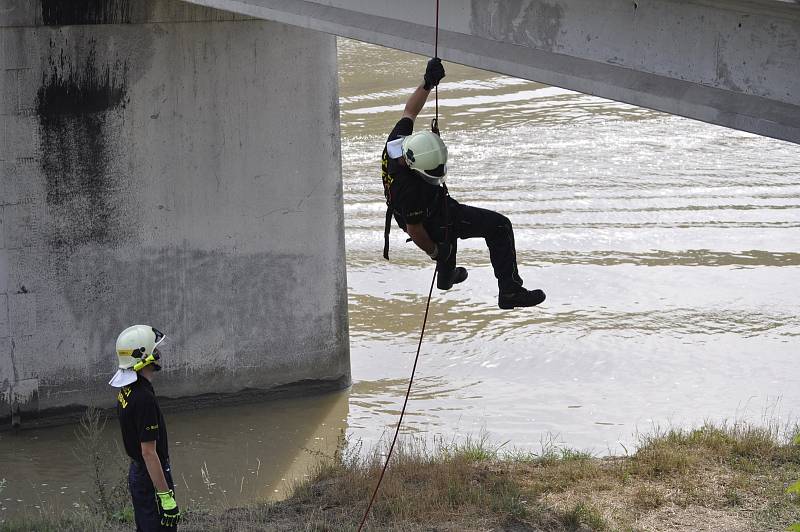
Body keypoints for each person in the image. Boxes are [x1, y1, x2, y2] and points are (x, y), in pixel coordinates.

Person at [381, 57, 547, 309]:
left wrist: (427, 84)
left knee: (447, 234)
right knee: (496, 226)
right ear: (414, 167)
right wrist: (434, 251)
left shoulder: (398, 143)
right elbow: (416, 231)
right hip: (424, 217)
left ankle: (447, 277)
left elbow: (409, 111)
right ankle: (510, 291)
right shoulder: (409, 191)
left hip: (433, 208)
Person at [109, 325, 181, 531]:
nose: (158, 354)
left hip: (139, 473)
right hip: (151, 477)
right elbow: (149, 453)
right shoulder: (143, 398)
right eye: (154, 350)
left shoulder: (128, 389)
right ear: (143, 356)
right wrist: (165, 497)